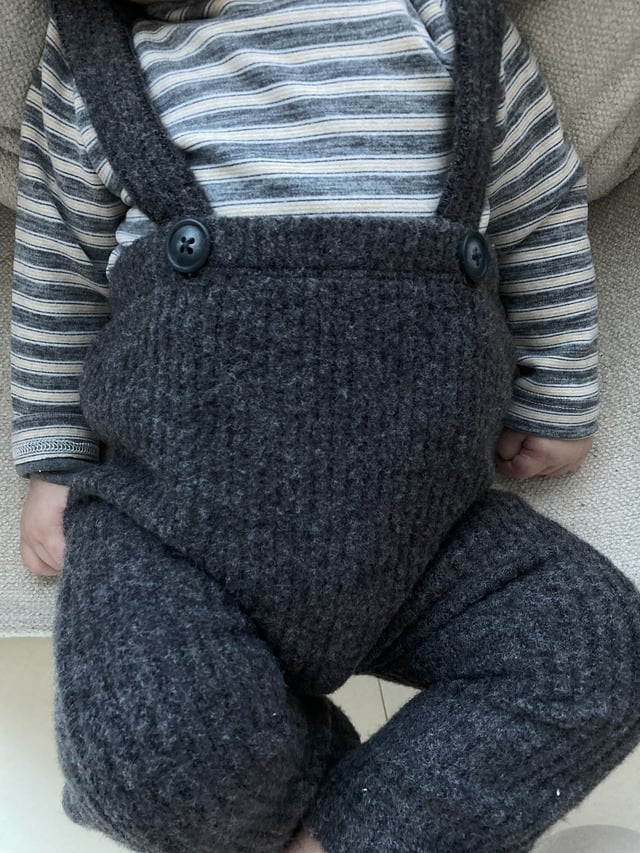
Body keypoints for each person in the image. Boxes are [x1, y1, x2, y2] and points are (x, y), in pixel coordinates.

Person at [11, 0, 640, 851]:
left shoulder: (452, 23)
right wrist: (53, 451)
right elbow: (57, 263)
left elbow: (539, 209)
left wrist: (559, 390)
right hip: (173, 526)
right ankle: (307, 810)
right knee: (151, 753)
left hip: (426, 533)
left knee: (599, 651)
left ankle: (347, 834)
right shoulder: (100, 49)